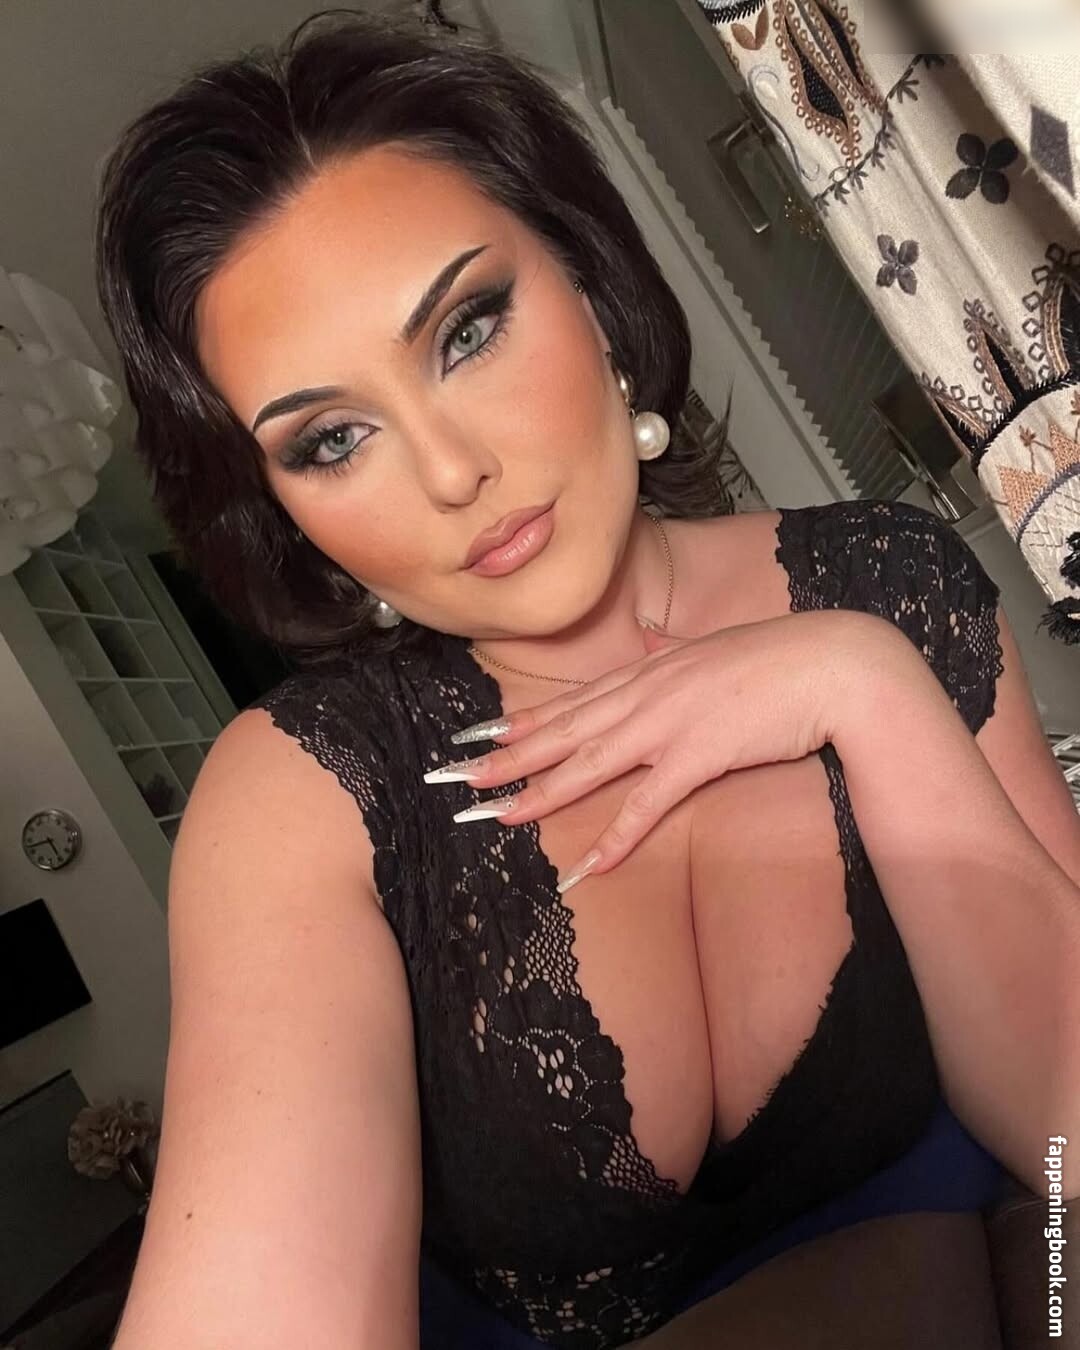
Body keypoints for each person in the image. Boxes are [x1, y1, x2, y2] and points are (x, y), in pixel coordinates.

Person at [93, 10, 1080, 1348]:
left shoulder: (891, 587)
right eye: (331, 440)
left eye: (468, 330)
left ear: (593, 287)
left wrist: (862, 681)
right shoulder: (306, 789)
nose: (452, 472)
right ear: (289, 517)